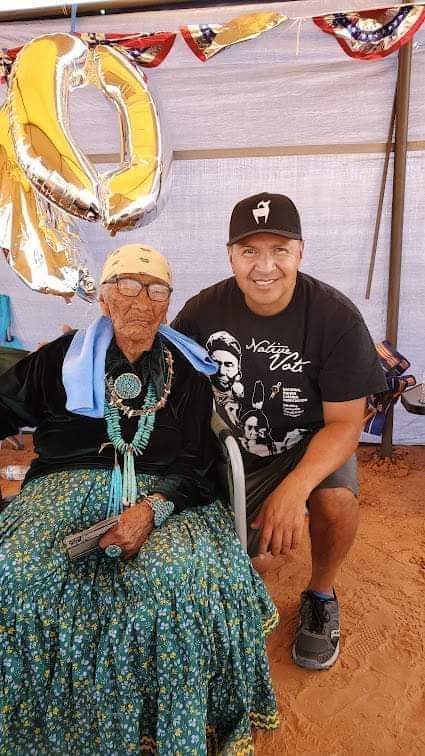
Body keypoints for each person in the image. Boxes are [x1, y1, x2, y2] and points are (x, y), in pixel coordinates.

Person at [0, 243, 279, 754]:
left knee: (170, 585)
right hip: (62, 488)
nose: (140, 301)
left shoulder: (188, 373)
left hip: (165, 495)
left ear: (167, 304)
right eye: (126, 287)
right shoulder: (60, 359)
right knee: (16, 573)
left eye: (154, 290)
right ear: (104, 298)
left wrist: (152, 508)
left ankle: (162, 730)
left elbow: (199, 464)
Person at [173, 192, 388, 671]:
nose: (264, 266)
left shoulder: (335, 317)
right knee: (253, 563)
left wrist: (295, 488)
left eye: (279, 250)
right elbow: (170, 384)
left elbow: (345, 424)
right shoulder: (203, 311)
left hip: (308, 446)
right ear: (230, 255)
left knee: (336, 499)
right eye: (249, 251)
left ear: (300, 252)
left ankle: (320, 594)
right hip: (234, 449)